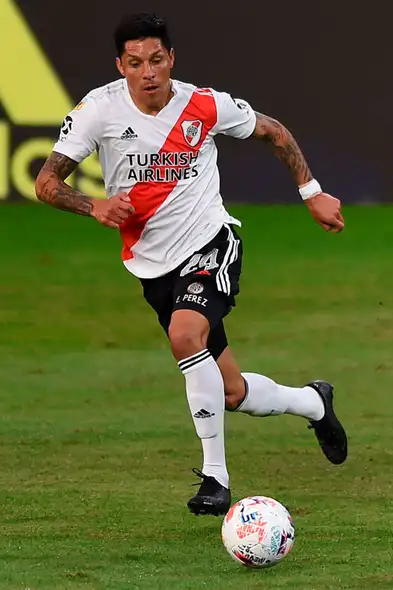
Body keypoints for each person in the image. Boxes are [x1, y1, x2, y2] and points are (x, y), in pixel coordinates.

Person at [34, 13, 349, 516]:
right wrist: (92, 205)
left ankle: (215, 479)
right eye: (135, 63)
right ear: (121, 66)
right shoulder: (99, 109)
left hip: (211, 243)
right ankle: (315, 403)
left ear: (171, 59)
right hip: (151, 266)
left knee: (186, 335)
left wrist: (311, 193)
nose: (148, 72)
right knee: (231, 391)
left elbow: (275, 132)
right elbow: (46, 183)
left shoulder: (202, 104)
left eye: (157, 60)